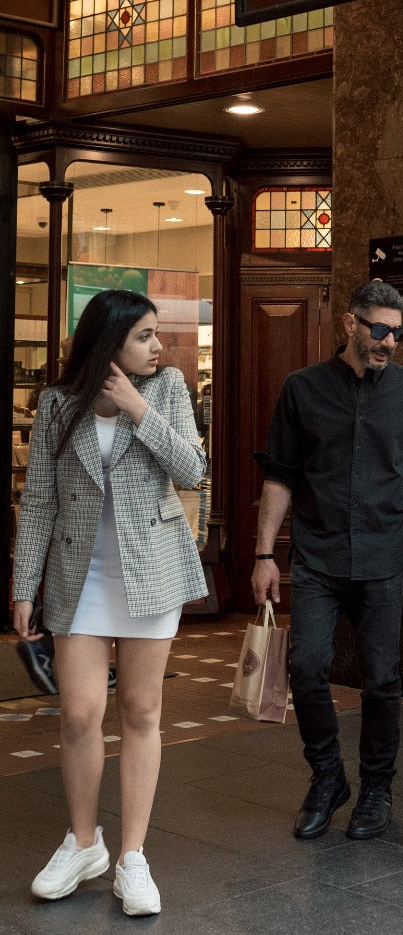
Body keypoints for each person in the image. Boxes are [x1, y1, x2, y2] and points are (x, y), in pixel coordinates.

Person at [10, 289, 207, 915]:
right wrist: (23, 583)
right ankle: (83, 842)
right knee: (79, 714)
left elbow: (192, 470)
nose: (158, 345)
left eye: (157, 335)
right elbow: (39, 498)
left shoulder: (169, 389)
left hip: (151, 573)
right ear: (109, 339)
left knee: (142, 712)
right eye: (145, 335)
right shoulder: (57, 404)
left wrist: (137, 408)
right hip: (79, 577)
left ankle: (133, 859)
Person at [251, 282, 403, 839]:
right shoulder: (302, 389)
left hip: (385, 555)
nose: (389, 341)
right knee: (307, 668)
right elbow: (280, 474)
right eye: (379, 329)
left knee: (383, 679)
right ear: (350, 324)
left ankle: (377, 790)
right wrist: (266, 553)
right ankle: (326, 777)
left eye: (398, 333)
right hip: (316, 555)